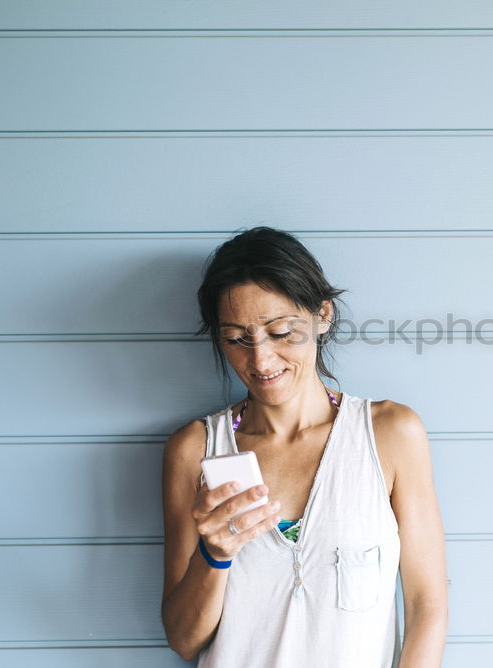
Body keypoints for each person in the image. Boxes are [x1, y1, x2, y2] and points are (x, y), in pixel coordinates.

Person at [160, 226, 448, 667]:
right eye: (237, 338)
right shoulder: (195, 450)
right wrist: (213, 555)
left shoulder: (391, 434)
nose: (260, 361)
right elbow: (184, 640)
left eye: (280, 332)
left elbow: (428, 604)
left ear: (323, 316)